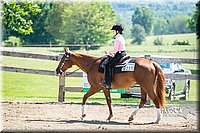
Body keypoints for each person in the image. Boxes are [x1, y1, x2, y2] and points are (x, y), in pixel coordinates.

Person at [100, 23, 126, 89]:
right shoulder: (121, 37)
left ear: (117, 31)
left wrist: (108, 52)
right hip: (122, 53)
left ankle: (108, 82)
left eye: (113, 31)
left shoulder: (117, 39)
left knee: (108, 65)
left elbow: (115, 50)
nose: (113, 32)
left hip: (118, 54)